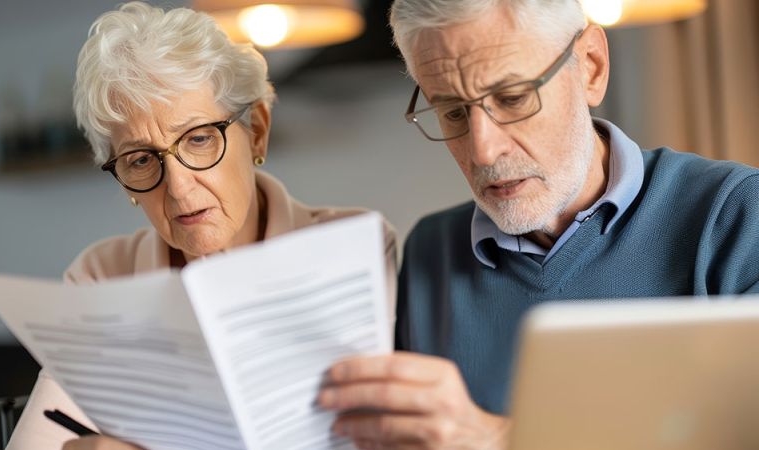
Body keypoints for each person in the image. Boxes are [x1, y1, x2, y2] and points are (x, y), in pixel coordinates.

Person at [316, 0, 759, 448]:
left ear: (590, 67)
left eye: (512, 98)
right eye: (452, 112)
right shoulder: (431, 248)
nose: (483, 150)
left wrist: (500, 439)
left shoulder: (736, 214)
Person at [6, 2, 396, 449]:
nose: (178, 187)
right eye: (140, 159)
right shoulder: (102, 275)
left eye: (198, 138)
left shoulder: (353, 245)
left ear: (259, 132)